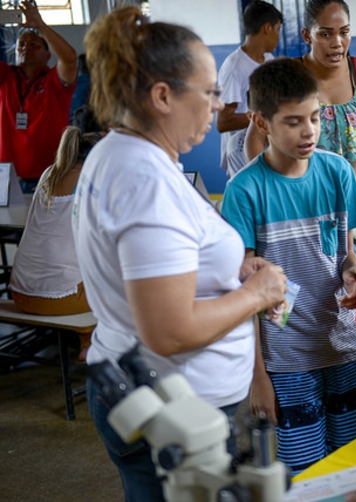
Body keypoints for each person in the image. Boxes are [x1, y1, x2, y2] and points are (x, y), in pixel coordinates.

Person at [75, 7, 288, 501]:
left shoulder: (122, 152)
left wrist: (233, 269)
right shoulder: (144, 180)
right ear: (163, 96)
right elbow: (170, 330)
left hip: (155, 389)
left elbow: (155, 265)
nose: (219, 105)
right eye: (210, 91)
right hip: (178, 405)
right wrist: (256, 294)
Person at [221, 58, 356, 474]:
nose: (309, 131)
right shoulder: (245, 191)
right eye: (293, 122)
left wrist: (351, 268)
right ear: (261, 122)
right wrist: (258, 377)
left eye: (314, 118)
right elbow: (243, 298)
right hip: (286, 361)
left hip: (343, 347)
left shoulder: (338, 172)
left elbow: (344, 253)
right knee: (305, 472)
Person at [245, 0, 356, 203]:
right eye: (325, 34)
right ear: (307, 36)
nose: (337, 42)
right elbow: (255, 138)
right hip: (300, 201)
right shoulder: (288, 75)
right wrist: (272, 188)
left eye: (344, 32)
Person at [9, 126, 101, 360]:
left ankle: (87, 341)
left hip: (19, 293)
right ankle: (95, 346)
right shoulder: (92, 181)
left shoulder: (49, 173)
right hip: (60, 299)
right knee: (123, 283)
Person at [0, 0, 77, 193]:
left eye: (34, 44)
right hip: (8, 177)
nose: (26, 47)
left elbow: (69, 58)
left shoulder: (54, 79)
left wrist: (40, 26)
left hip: (50, 174)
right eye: (22, 44)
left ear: (48, 55)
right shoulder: (7, 76)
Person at [217, 0, 283, 177]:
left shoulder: (268, 60)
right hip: (240, 155)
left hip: (264, 147)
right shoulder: (234, 68)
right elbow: (223, 122)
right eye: (277, 30)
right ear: (267, 28)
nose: (278, 37)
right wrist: (266, 119)